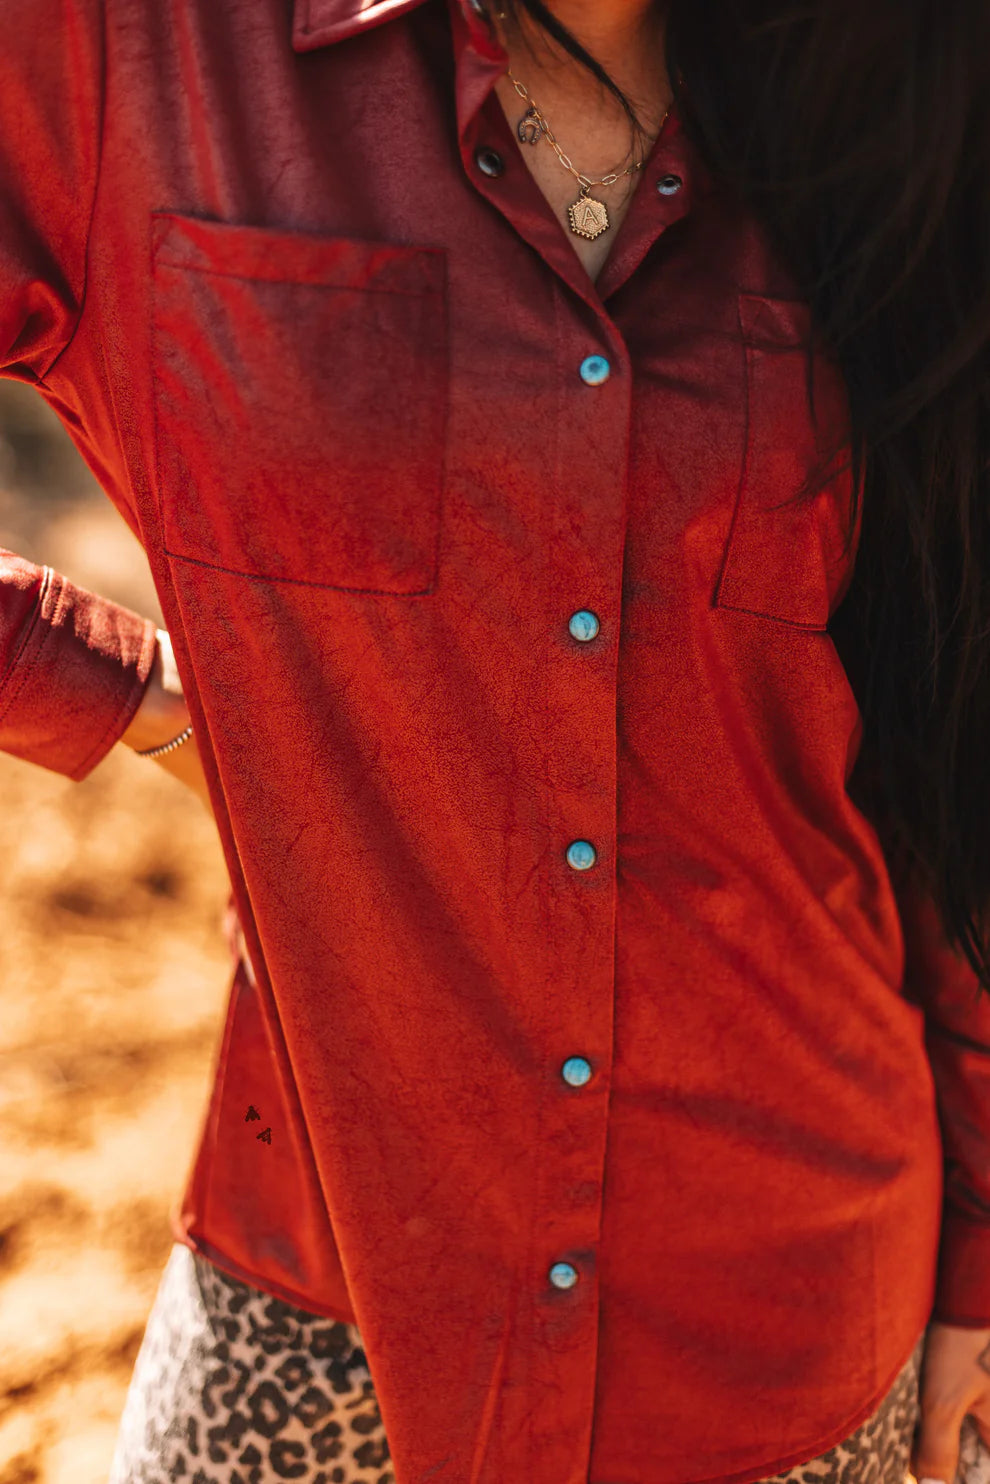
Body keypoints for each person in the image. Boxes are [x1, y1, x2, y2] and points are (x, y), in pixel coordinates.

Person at [3, 0, 990, 1480]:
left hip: (778, 1320)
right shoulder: (141, 60)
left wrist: (980, 1249)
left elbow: (946, 740)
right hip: (319, 1289)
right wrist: (132, 697)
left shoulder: (889, 102)